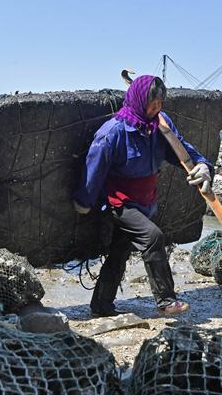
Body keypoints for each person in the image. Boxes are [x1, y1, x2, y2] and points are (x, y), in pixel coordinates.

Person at [73, 75, 214, 318]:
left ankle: (101, 305)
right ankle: (166, 301)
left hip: (146, 202)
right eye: (152, 102)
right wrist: (83, 202)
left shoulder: (160, 126)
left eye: (160, 103)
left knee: (119, 253)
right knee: (153, 237)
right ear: (139, 100)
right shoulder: (113, 132)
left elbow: (180, 149)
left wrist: (202, 165)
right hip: (119, 203)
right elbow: (93, 168)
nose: (156, 108)